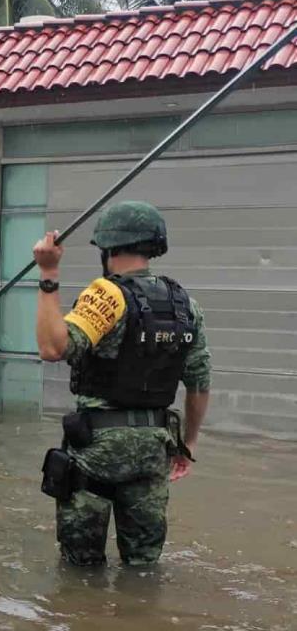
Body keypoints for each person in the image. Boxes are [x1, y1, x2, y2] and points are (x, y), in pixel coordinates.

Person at [33, 200, 211, 567]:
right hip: (153, 450)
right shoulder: (186, 305)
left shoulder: (106, 294)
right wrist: (187, 445)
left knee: (80, 569)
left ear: (107, 246)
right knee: (144, 566)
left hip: (97, 450)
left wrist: (48, 274)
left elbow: (53, 348)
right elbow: (199, 382)